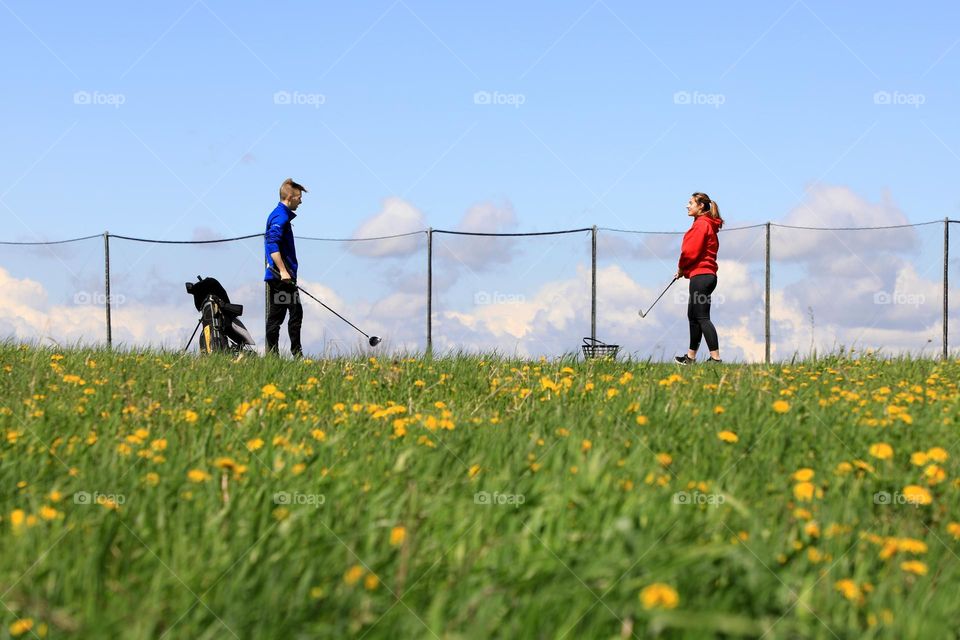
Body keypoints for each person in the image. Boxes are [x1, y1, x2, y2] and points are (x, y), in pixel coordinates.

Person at [674, 192, 723, 365]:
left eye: (690, 203)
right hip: (701, 275)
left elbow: (690, 252)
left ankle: (715, 358)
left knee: (702, 317)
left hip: (702, 276)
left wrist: (681, 267)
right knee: (693, 316)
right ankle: (690, 357)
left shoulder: (701, 225)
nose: (687, 206)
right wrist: (685, 270)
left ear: (700, 206)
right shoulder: (703, 224)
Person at [264, 178, 307, 357]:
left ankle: (274, 356)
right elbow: (272, 243)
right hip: (281, 278)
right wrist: (283, 271)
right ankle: (296, 355)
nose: (301, 201)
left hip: (282, 277)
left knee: (279, 316)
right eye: (299, 197)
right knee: (293, 314)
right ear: (290, 197)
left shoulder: (280, 215)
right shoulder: (280, 216)